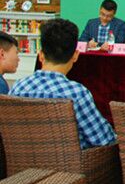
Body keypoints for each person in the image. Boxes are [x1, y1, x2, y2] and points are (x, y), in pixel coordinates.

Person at [11, 19, 116, 149]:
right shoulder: (77, 93)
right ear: (75, 55)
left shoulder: (18, 87)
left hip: (22, 160)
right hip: (71, 161)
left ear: (41, 55)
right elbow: (104, 139)